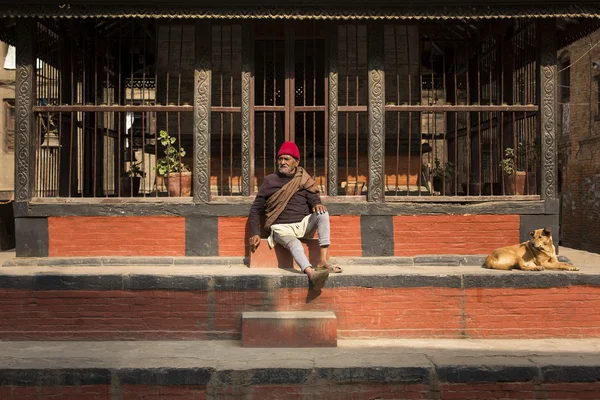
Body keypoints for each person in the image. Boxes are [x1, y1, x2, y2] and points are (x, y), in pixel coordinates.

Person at [248, 141, 342, 291]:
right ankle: (311, 273)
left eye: (287, 159)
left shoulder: (303, 179)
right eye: (280, 159)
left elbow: (313, 198)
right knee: (295, 244)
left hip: (303, 224)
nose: (283, 162)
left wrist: (317, 204)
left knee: (323, 213)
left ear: (296, 162)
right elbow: (255, 209)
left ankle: (323, 261)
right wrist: (255, 232)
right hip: (281, 228)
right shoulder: (269, 181)